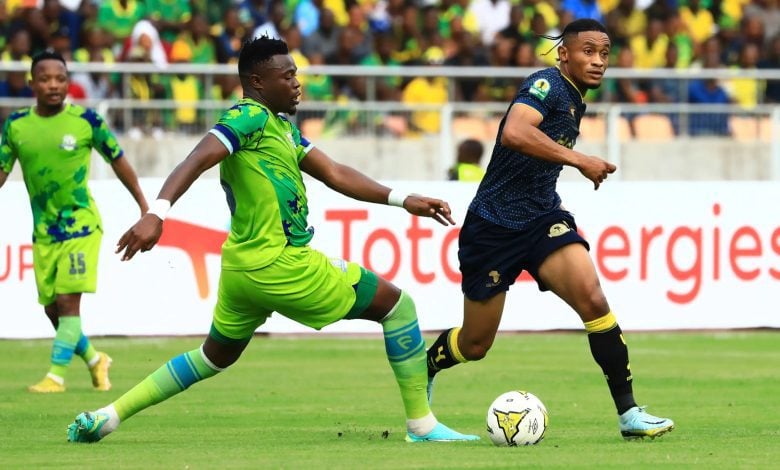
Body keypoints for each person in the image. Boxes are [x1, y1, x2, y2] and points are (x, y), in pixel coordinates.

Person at [66, 36, 479, 444]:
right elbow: (197, 158)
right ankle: (422, 426)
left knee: (213, 357)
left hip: (242, 269)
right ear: (258, 82)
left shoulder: (280, 127)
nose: (298, 82)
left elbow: (335, 173)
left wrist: (403, 199)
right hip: (280, 263)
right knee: (398, 306)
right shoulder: (248, 117)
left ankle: (109, 415)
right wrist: (156, 213)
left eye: (296, 73)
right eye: (288, 75)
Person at [424, 19, 675, 440]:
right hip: (493, 225)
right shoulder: (546, 84)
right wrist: (580, 161)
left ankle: (629, 414)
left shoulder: (577, 98)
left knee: (593, 299)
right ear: (564, 54)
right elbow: (514, 133)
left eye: (604, 53)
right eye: (588, 51)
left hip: (543, 218)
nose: (598, 61)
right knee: (475, 345)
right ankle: (426, 364)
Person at [0, 50, 148, 393]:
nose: (54, 85)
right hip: (43, 232)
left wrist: (145, 205)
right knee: (54, 312)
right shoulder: (16, 125)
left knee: (68, 303)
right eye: (46, 79)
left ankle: (55, 376)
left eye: (61, 79)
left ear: (68, 83)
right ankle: (97, 360)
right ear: (32, 83)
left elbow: (119, 160)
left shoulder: (87, 121)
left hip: (81, 226)